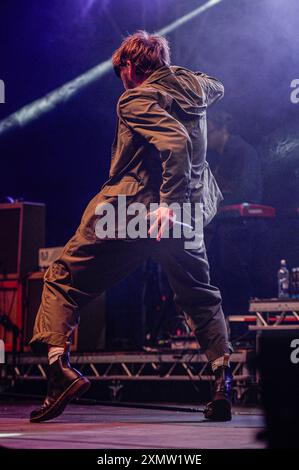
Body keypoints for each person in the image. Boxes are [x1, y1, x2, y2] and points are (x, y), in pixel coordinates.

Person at [29, 31, 232, 423]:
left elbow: (173, 141)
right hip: (185, 216)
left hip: (132, 211)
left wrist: (165, 205)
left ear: (129, 67)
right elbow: (216, 86)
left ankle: (58, 372)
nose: (119, 80)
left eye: (119, 71)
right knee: (201, 297)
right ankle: (222, 380)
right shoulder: (196, 89)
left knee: (61, 279)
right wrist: (178, 77)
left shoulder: (135, 97)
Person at [206, 111, 264, 314]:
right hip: (224, 225)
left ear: (223, 129)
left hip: (240, 227)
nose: (205, 137)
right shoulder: (219, 160)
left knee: (231, 270)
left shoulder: (243, 153)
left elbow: (245, 192)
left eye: (208, 130)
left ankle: (241, 320)